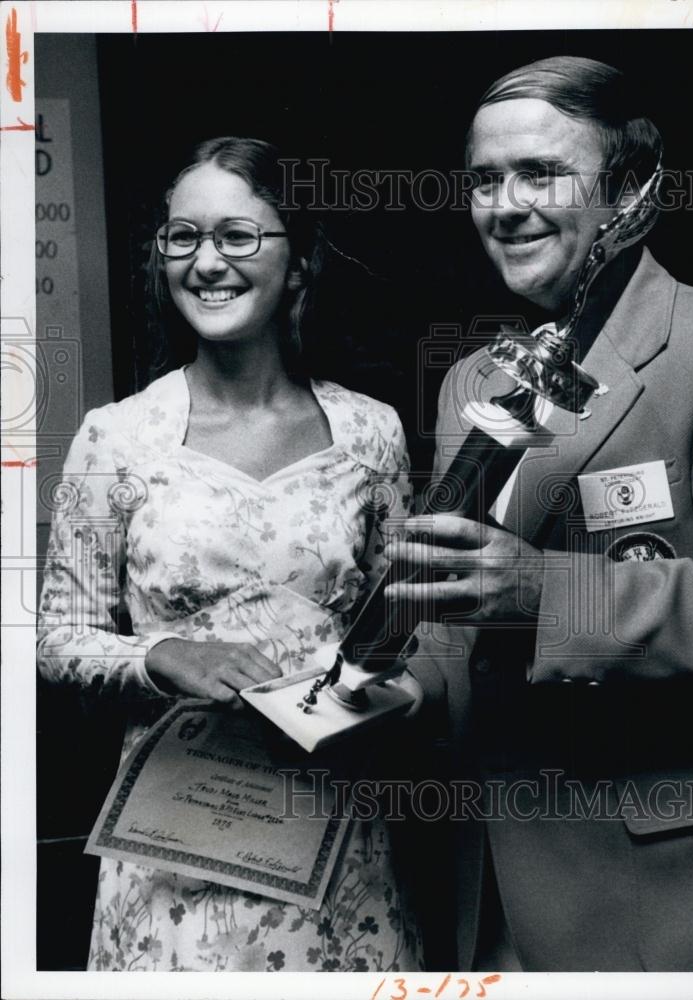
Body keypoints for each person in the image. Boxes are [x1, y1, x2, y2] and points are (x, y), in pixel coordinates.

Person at [391, 57, 693, 971]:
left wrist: (540, 590)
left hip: (675, 885)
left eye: (540, 173)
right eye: (485, 179)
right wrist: (393, 689)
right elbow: (454, 617)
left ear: (629, 187)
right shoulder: (472, 383)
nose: (506, 204)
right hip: (493, 887)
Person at [37, 137, 423, 972]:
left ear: (300, 262)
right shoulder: (114, 437)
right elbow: (56, 638)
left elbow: (404, 629)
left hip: (330, 850)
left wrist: (379, 695)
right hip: (168, 864)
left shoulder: (371, 432)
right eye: (183, 238)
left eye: (238, 236)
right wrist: (163, 654)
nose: (206, 261)